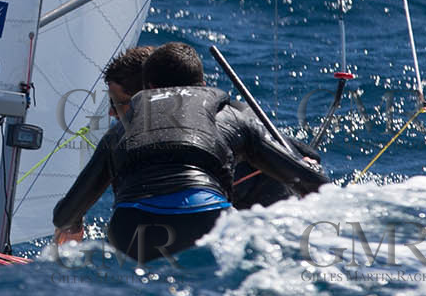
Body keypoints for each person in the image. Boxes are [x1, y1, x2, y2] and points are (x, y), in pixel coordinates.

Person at [100, 42, 330, 263]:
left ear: (151, 94)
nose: (111, 112)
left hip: (266, 235)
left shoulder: (229, 119)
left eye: (118, 102)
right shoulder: (131, 143)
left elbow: (301, 155)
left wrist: (305, 165)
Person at [51, 45, 152, 245]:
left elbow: (64, 216)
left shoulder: (119, 139)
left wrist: (73, 221)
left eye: (117, 103)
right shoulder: (215, 123)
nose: (111, 113)